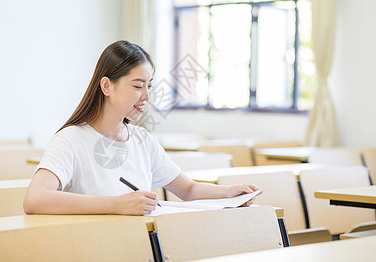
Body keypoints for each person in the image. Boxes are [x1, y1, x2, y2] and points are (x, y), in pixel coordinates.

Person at [23, 40, 260, 216]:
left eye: (149, 86)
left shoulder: (141, 139)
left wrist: (228, 193)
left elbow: (187, 189)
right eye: (137, 86)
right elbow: (34, 199)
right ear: (106, 86)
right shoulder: (71, 139)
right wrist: (117, 204)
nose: (146, 96)